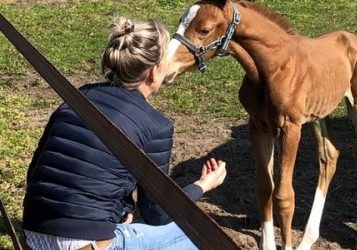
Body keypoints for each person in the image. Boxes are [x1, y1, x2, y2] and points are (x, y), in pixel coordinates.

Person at [22, 17, 227, 250]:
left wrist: (122, 209)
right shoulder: (156, 126)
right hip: (87, 244)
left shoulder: (76, 98)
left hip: (33, 237)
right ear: (153, 71)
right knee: (200, 234)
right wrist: (203, 185)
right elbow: (157, 215)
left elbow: (37, 173)